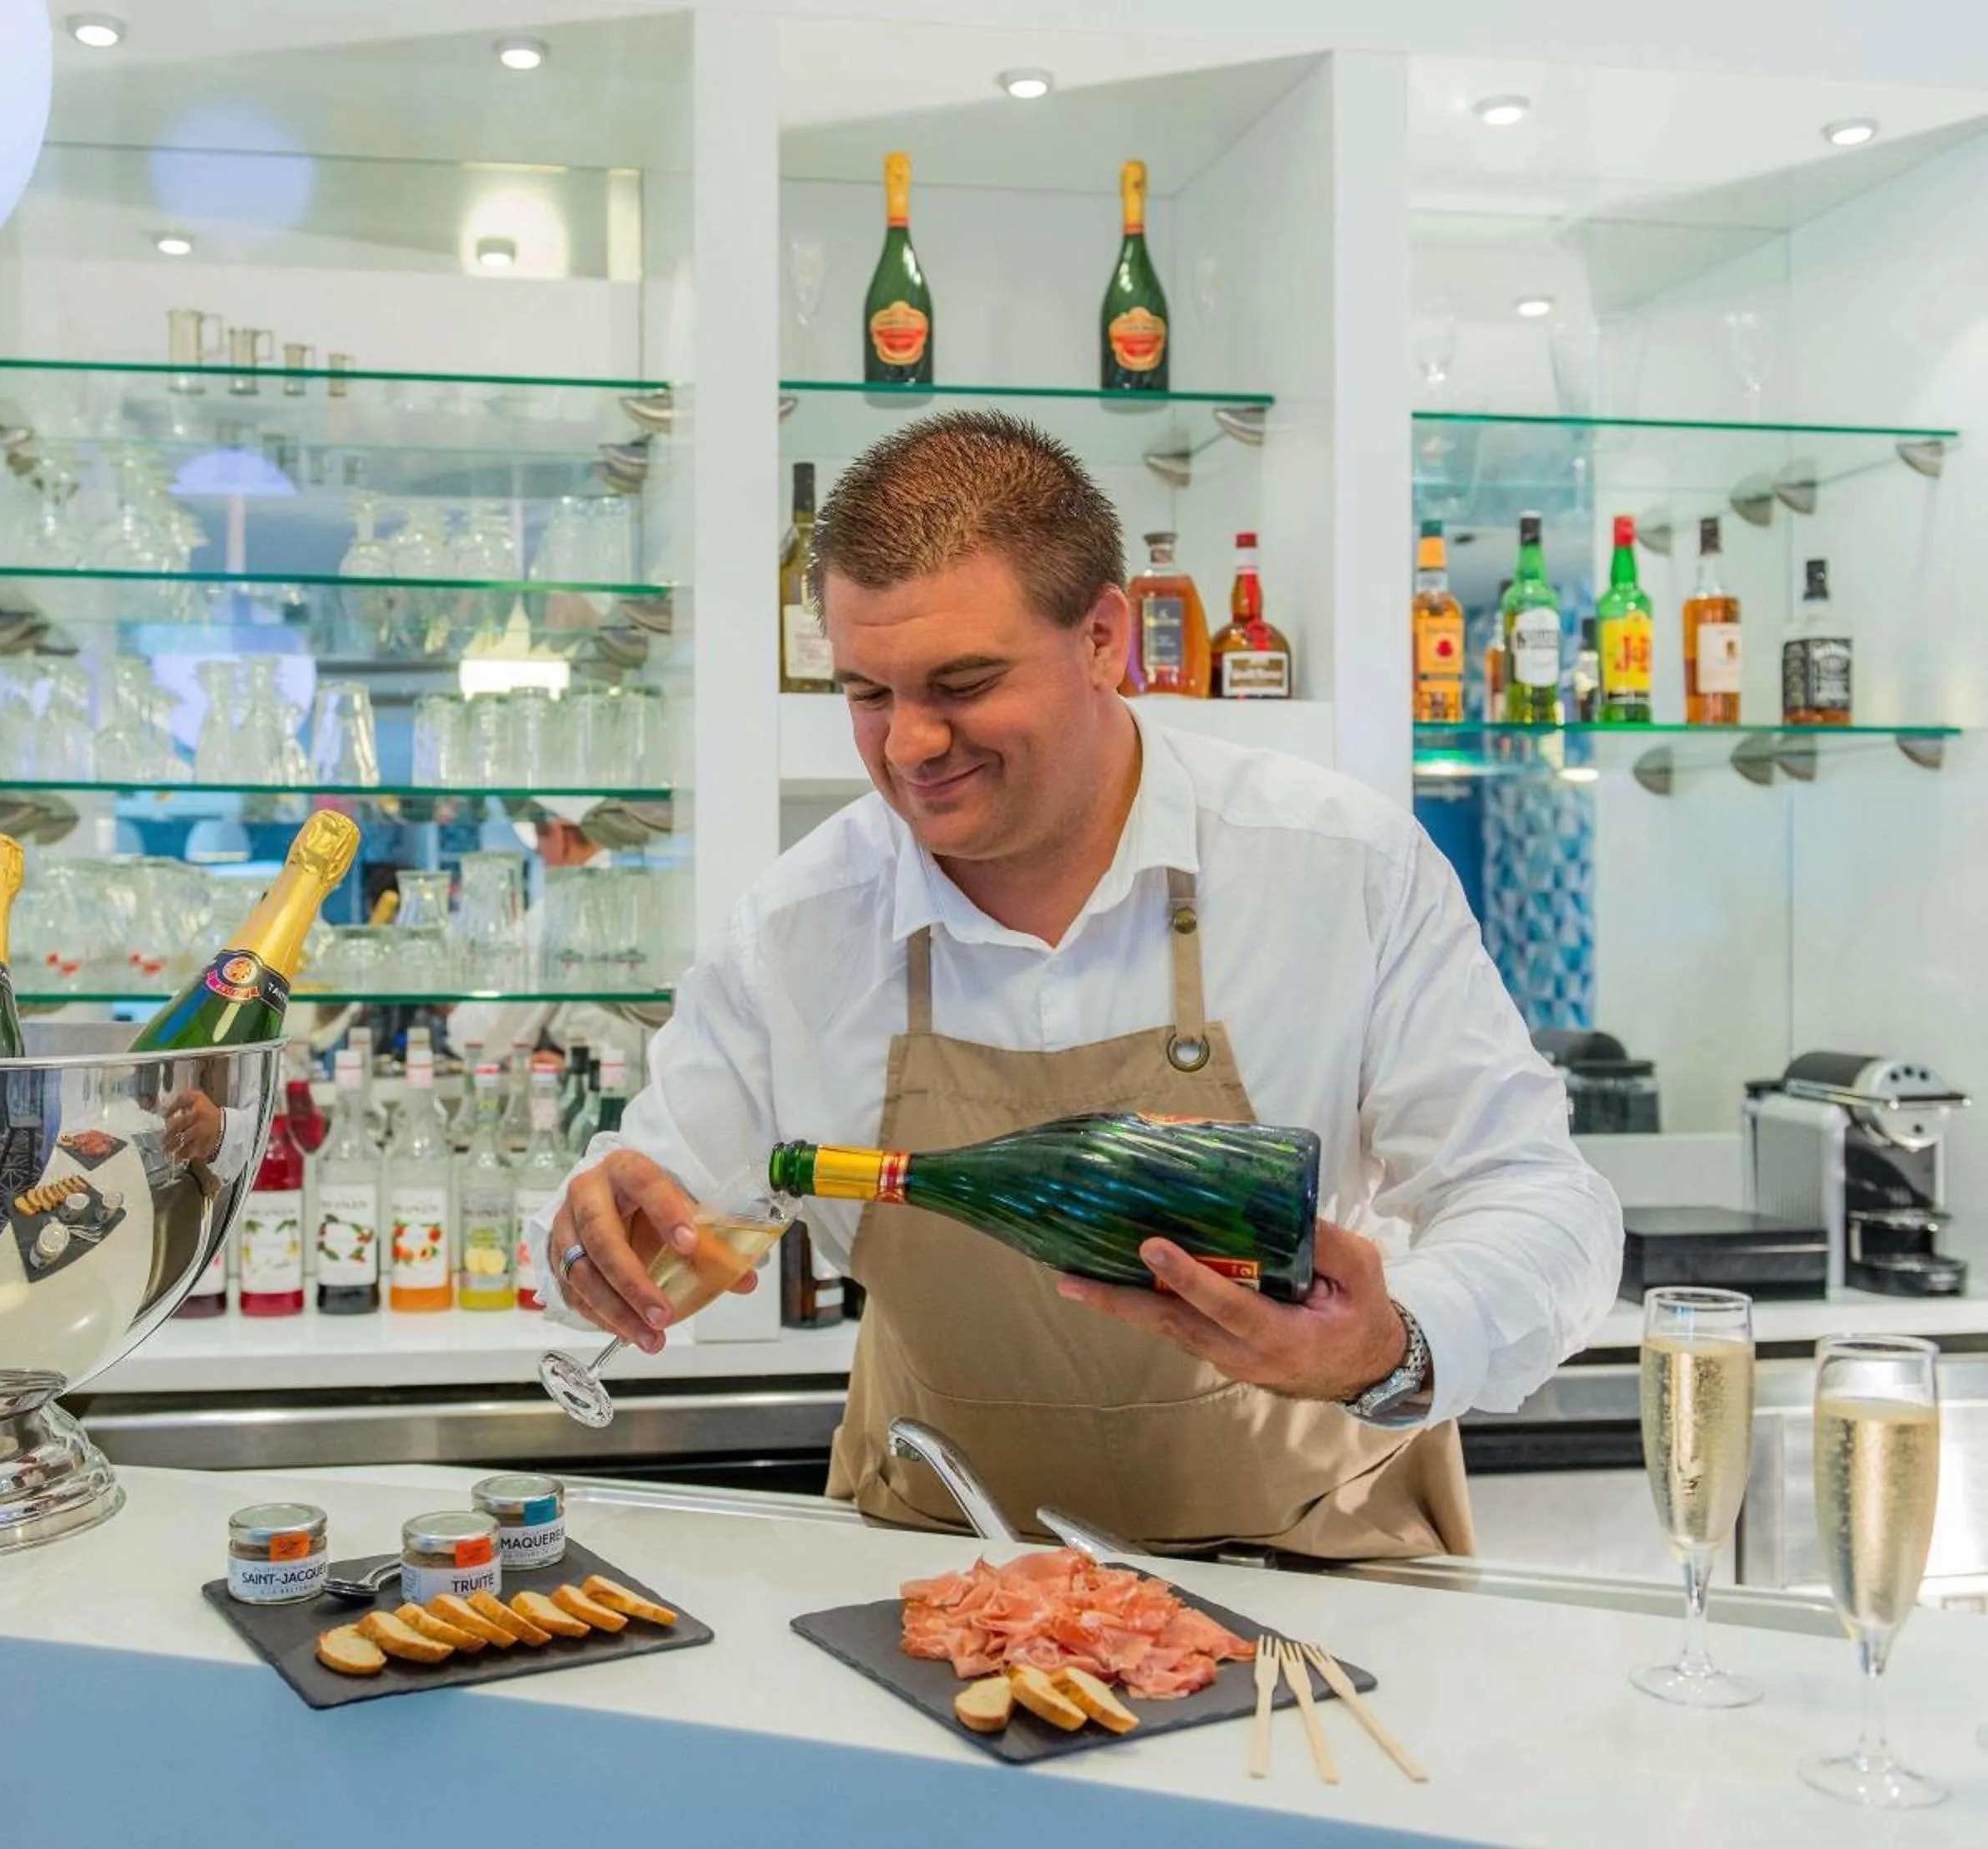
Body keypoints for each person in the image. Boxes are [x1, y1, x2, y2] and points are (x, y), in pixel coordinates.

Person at [541, 412, 1621, 1559]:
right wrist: (589, 1248)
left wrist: (1391, 1344)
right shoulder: (796, 932)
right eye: (867, 692)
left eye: (962, 681)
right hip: (943, 1582)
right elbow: (655, 1211)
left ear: (1106, 635)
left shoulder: (1339, 865)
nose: (909, 744)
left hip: (1314, 1576)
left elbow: (1544, 1203)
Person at [445, 798, 659, 1067]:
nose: (541, 856)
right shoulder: (641, 897)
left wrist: (451, 1007)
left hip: (607, 1082)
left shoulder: (558, 913)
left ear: (559, 836)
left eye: (539, 844)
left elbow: (481, 1038)